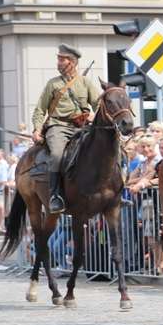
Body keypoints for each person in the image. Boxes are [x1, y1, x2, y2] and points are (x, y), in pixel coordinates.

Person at [31, 44, 101, 213]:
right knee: (56, 154)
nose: (59, 63)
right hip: (58, 126)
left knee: (104, 149)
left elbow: (99, 104)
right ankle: (55, 195)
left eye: (62, 60)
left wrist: (94, 116)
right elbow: (40, 110)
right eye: (58, 59)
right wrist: (37, 129)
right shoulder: (53, 84)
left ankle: (111, 193)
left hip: (83, 127)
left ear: (73, 62)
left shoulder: (85, 83)